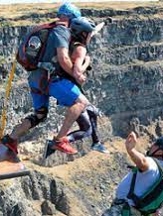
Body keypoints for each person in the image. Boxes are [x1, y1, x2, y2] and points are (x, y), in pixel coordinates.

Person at [0, 3, 90, 155]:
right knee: (81, 102)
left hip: (35, 78)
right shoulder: (61, 30)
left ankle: (11, 139)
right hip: (49, 79)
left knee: (40, 114)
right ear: (71, 19)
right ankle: (60, 140)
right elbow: (63, 59)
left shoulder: (47, 28)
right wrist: (76, 74)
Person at [45, 17, 108, 158]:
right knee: (86, 123)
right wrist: (86, 62)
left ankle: (95, 142)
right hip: (63, 84)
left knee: (91, 113)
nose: (91, 37)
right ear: (84, 34)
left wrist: (104, 22)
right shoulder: (80, 49)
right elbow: (77, 72)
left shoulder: (68, 41)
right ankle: (58, 141)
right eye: (89, 34)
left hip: (55, 81)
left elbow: (94, 30)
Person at [102, 131, 163, 216]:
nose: (152, 145)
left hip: (123, 211)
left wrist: (131, 150)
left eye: (155, 144)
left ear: (160, 152)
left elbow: (143, 161)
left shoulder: (153, 163)